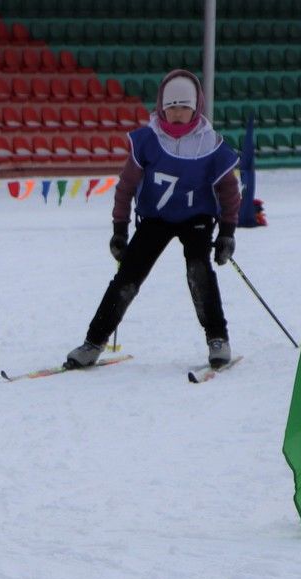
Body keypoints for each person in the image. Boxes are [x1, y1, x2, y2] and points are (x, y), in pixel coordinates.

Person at [64, 69, 241, 371]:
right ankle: (93, 342)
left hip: (196, 218)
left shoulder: (210, 144)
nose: (177, 114)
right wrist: (119, 229)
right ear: (162, 107)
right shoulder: (147, 140)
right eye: (171, 107)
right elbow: (126, 186)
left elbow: (229, 192)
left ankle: (217, 339)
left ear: (196, 107)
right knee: (127, 278)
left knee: (199, 272)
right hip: (155, 218)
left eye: (184, 107)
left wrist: (227, 232)